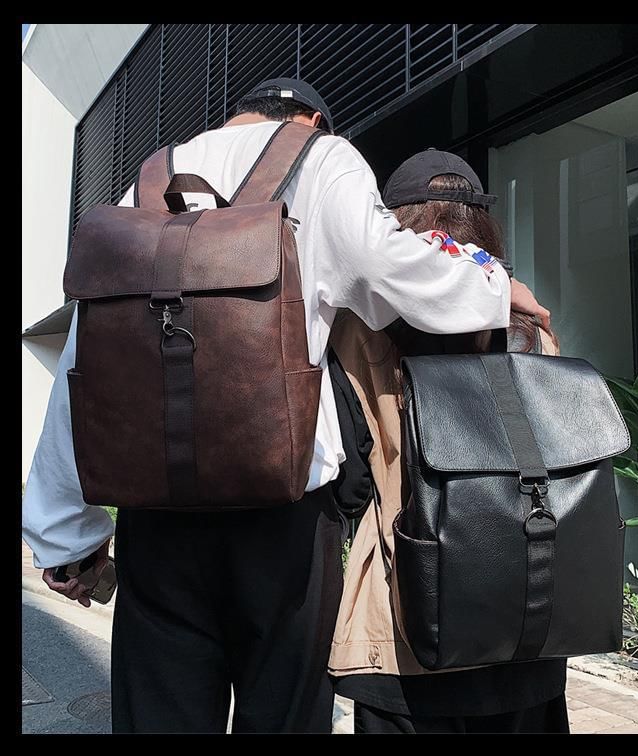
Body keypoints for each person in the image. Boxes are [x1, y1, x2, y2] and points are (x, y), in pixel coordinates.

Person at [22, 79, 550, 734]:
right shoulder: (323, 157)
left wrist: (66, 537)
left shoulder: (151, 181)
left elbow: (90, 360)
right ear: (311, 120)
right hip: (284, 518)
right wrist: (493, 287)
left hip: (158, 522)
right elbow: (388, 270)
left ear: (239, 114)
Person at [328, 149, 569, 734]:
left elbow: (349, 485)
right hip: (524, 617)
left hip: (406, 627)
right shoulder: (526, 323)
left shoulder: (360, 327)